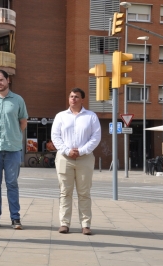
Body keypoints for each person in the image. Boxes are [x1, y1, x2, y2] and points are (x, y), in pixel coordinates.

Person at [51, 88, 101, 235]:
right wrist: (67, 151)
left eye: (76, 97)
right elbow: (55, 136)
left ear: (82, 100)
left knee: (84, 192)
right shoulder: (60, 116)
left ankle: (85, 224)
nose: (73, 99)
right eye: (71, 96)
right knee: (65, 192)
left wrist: (82, 150)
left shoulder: (91, 116)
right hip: (64, 158)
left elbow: (95, 137)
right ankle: (64, 223)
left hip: (84, 158)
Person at [0, 69, 28, 230]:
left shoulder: (18, 100)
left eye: (1, 80)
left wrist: (14, 135)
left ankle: (15, 218)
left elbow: (23, 122)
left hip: (13, 149)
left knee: (12, 184)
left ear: (8, 80)